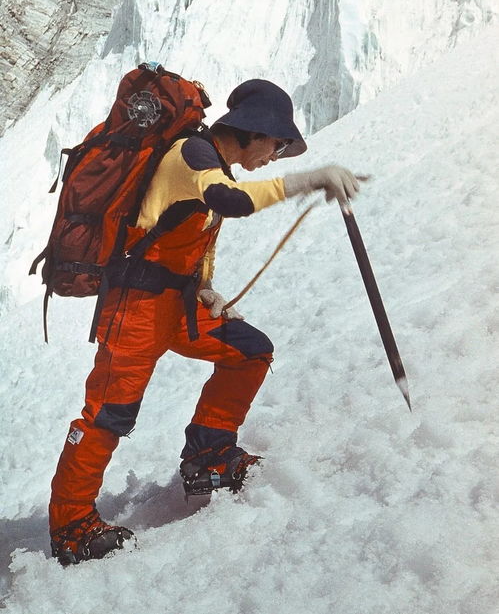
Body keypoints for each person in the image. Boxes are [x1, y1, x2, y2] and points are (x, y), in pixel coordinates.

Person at [48, 78, 360, 565]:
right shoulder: (194, 154)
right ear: (254, 131)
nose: (275, 156)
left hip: (176, 305)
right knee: (108, 415)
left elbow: (183, 231)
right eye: (276, 144)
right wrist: (310, 179)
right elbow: (229, 202)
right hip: (135, 309)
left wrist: (205, 290)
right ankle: (70, 527)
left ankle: (209, 455)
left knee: (249, 352)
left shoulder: (210, 162)